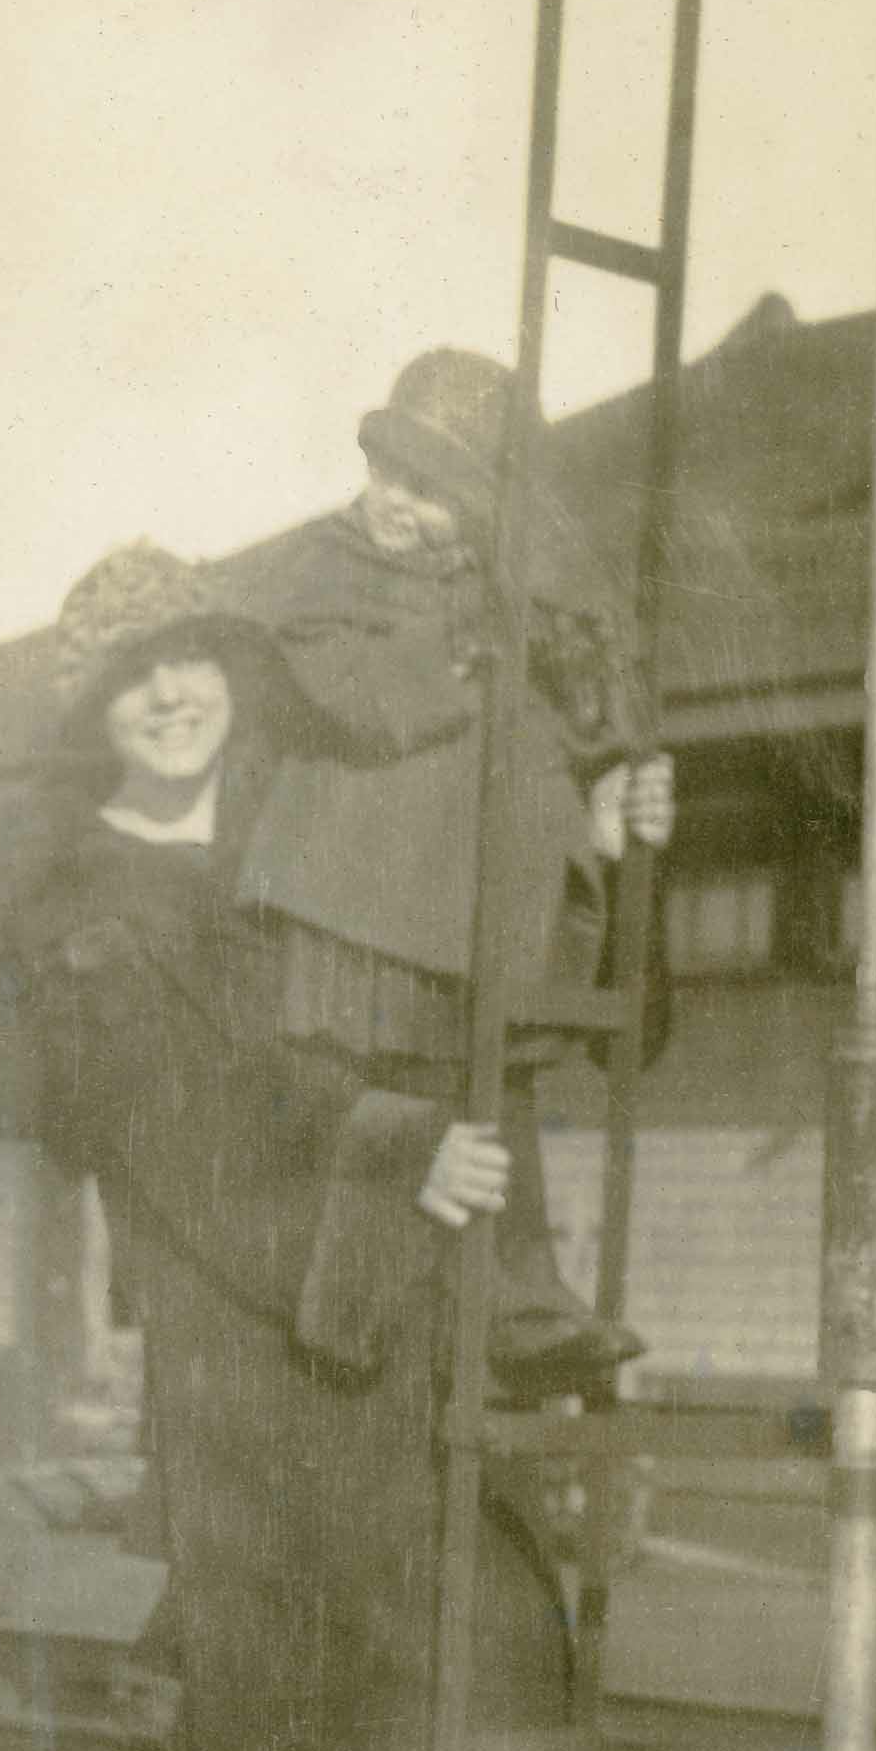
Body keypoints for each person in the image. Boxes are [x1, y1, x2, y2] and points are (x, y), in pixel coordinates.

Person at [0, 543, 580, 1751]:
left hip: (387, 1284)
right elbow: (166, 1123)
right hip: (246, 1320)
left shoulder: (302, 835)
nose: (172, 693)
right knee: (314, 1679)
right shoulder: (79, 909)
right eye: (134, 674)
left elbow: (470, 968)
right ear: (93, 715)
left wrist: (596, 833)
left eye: (192, 657)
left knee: (455, 1628)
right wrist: (394, 1142)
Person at [229, 346, 678, 1403]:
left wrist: (602, 795)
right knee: (377, 1103)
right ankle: (343, 1316)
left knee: (493, 1098)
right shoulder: (324, 571)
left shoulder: (505, 604)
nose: (403, 506)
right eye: (394, 474)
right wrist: (470, 645)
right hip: (354, 898)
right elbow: (353, 698)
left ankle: (517, 1299)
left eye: (437, 492)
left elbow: (561, 729)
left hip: (463, 917)